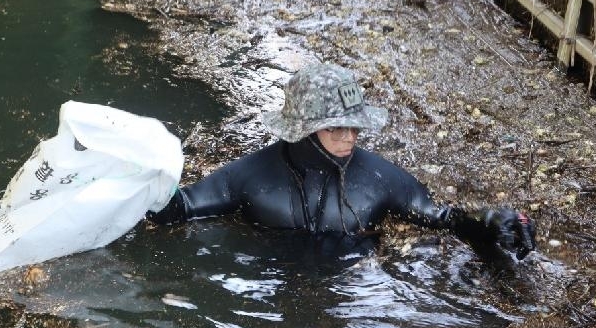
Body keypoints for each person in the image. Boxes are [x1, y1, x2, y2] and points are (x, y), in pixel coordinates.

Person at [148, 62, 535, 265]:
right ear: (303, 129)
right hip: (270, 286)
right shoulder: (249, 176)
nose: (349, 136)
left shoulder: (380, 179)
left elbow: (443, 217)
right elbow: (180, 207)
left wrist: (488, 225)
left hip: (355, 292)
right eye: (335, 127)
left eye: (354, 126)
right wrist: (143, 180)